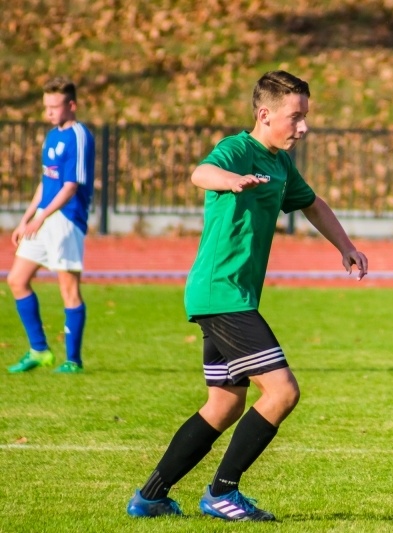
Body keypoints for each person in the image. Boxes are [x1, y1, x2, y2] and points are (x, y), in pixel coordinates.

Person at [126, 70, 369, 522]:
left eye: (305, 117)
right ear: (264, 114)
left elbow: (312, 203)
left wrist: (346, 246)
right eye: (295, 117)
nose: (303, 127)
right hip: (223, 295)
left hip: (228, 297)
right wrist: (229, 180)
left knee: (225, 403)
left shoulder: (280, 163)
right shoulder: (239, 149)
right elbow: (201, 171)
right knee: (281, 392)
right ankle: (222, 492)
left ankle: (150, 496)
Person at [7, 77, 95, 374]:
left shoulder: (79, 136)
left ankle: (73, 360)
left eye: (54, 107)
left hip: (67, 219)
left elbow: (70, 186)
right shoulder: (50, 136)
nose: (49, 113)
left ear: (72, 105)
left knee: (68, 290)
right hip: (44, 217)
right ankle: (39, 350)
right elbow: (46, 183)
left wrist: (41, 218)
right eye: (46, 107)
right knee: (17, 280)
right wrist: (26, 219)